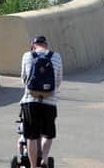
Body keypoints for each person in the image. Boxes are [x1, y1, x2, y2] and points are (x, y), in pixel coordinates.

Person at [20, 36, 63, 168]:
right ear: (46, 45)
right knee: (48, 133)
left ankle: (33, 166)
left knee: (31, 136)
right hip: (49, 101)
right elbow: (58, 80)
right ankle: (44, 159)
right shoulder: (56, 57)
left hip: (30, 100)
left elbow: (24, 79)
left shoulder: (27, 56)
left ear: (33, 45)